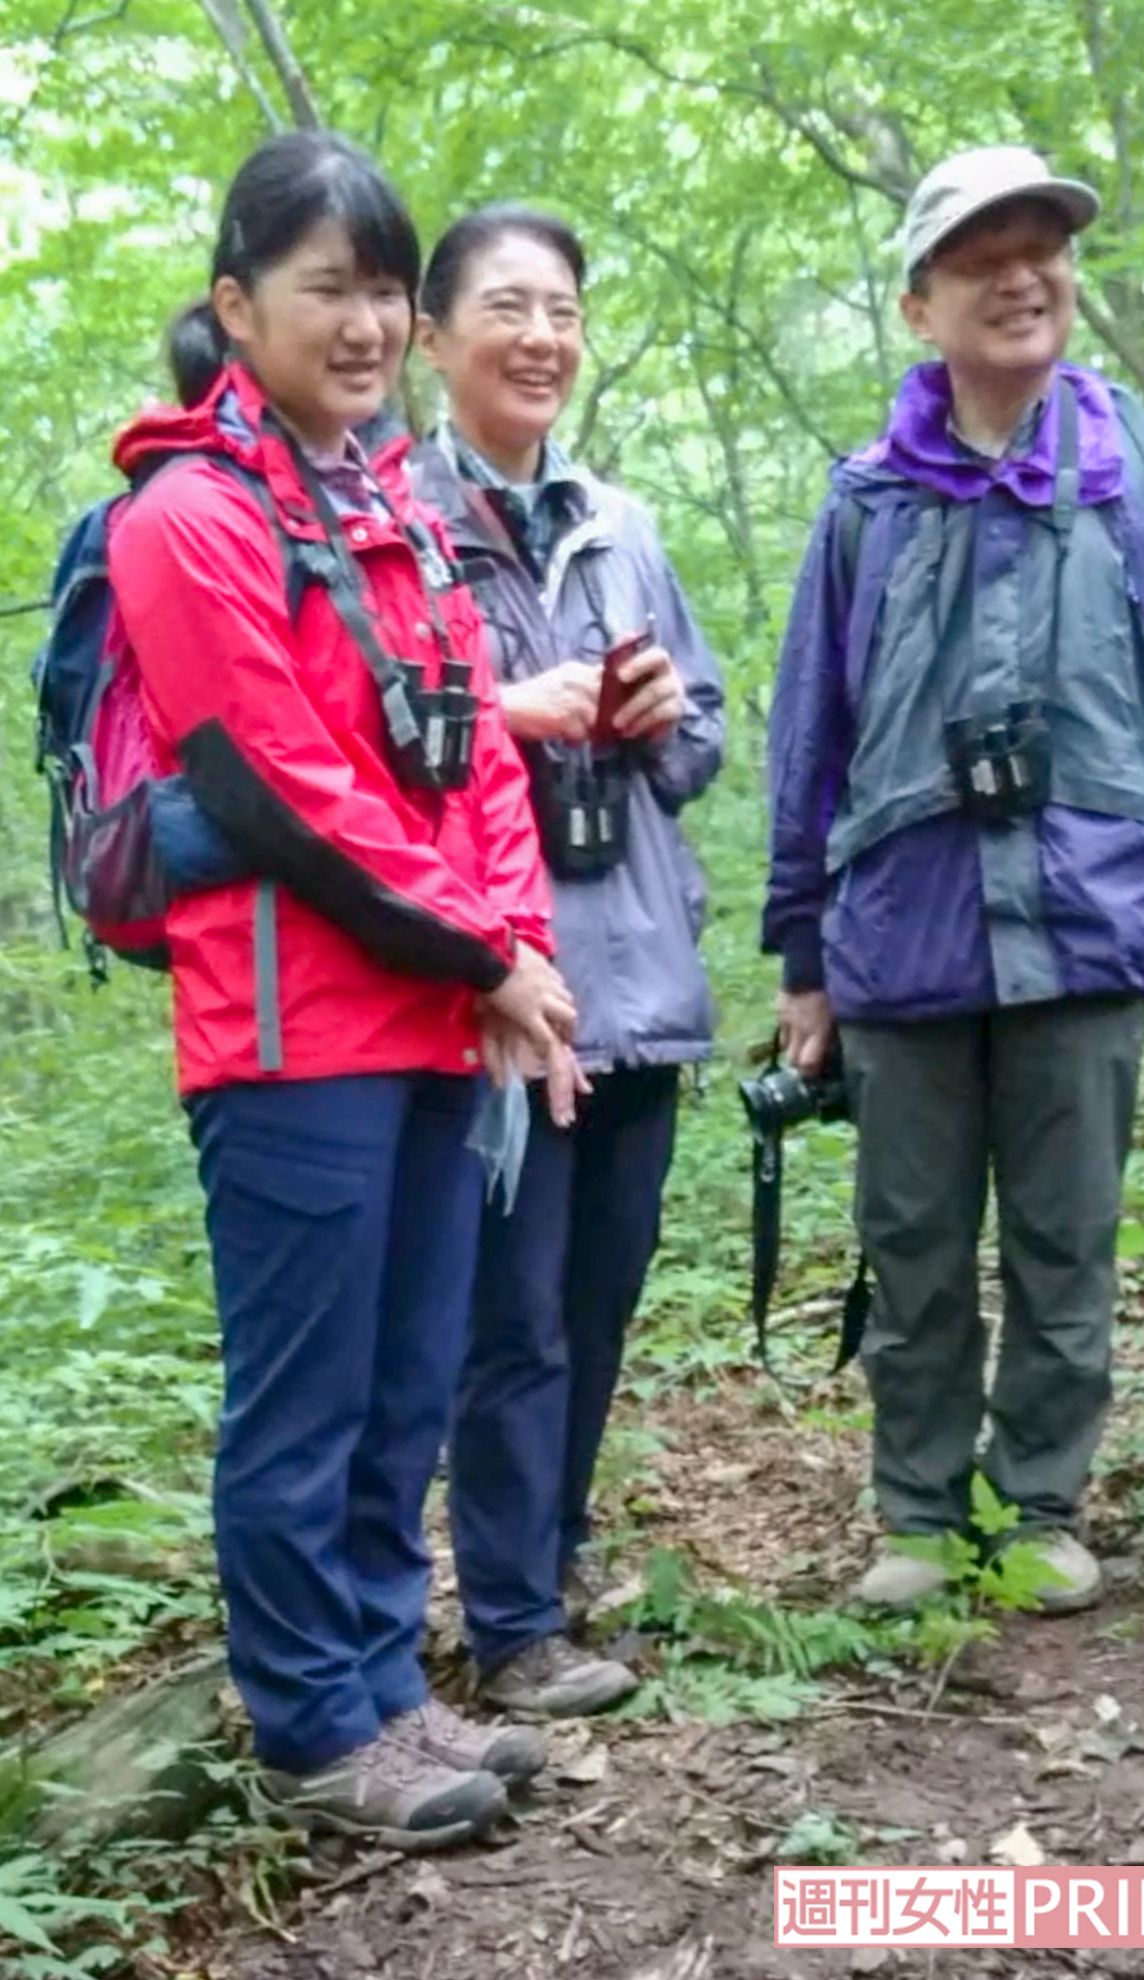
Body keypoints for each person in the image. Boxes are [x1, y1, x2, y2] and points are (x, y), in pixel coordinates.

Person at [109, 132, 580, 1848]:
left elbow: (478, 768)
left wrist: (514, 956)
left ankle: (388, 1684)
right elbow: (283, 786)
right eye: (332, 285)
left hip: (433, 1020)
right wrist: (490, 949)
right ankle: (314, 1723)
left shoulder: (397, 512)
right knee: (304, 1401)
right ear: (238, 307)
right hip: (287, 1030)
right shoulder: (188, 518)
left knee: (407, 1382)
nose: (372, 320)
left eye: (389, 285)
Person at [764, 145, 1144, 1612]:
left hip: (1092, 917)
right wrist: (804, 954)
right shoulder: (865, 503)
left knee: (1067, 1235)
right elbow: (813, 734)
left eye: (1041, 245)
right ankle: (918, 1517)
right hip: (904, 935)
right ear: (921, 304)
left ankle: (1041, 1504)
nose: (1019, 274)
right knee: (913, 1243)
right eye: (980, 254)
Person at [413, 204, 725, 1715]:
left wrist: (664, 719)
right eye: (507, 308)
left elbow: (707, 737)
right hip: (498, 986)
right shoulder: (395, 524)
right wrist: (499, 712)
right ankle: (514, 1621)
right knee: (513, 1312)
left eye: (564, 312)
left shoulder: (625, 523)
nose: (542, 339)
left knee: (597, 1298)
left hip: (641, 976)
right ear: (430, 335)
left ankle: (556, 1541)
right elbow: (370, 755)